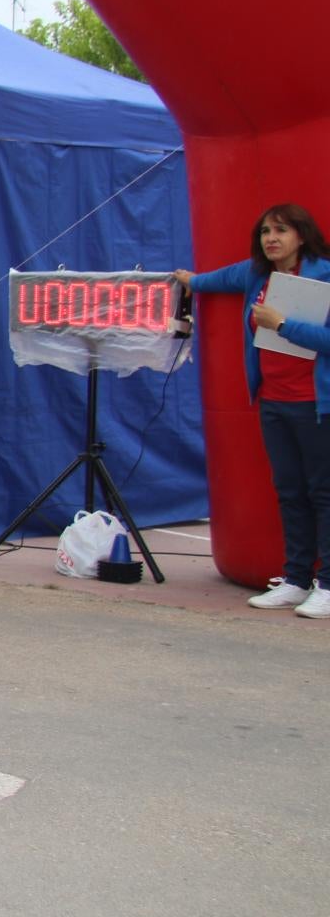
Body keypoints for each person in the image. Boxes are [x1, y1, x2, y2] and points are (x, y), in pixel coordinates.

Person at [177, 203, 330, 617]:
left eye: (280, 230)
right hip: (274, 401)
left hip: (317, 405)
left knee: (323, 493)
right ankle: (297, 579)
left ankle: (328, 584)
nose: (271, 239)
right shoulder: (256, 274)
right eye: (265, 231)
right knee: (289, 492)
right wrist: (193, 281)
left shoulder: (324, 274)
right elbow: (221, 278)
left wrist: (282, 325)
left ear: (301, 234)